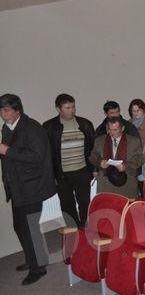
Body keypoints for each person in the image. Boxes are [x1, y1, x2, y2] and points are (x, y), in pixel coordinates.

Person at [1, 94, 56, 285]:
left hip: (33, 186)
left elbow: (37, 156)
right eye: (0, 111)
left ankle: (38, 268)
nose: (2, 114)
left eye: (6, 110)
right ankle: (33, 259)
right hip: (17, 187)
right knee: (20, 226)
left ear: (18, 110)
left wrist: (7, 150)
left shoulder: (32, 128)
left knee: (30, 228)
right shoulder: (7, 127)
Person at [43, 94, 95, 227]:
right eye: (67, 108)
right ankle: (74, 230)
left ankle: (86, 230)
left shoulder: (85, 124)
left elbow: (92, 149)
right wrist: (51, 176)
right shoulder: (49, 127)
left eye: (73, 107)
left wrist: (94, 169)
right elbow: (47, 154)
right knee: (67, 206)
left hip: (82, 171)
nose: (72, 110)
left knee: (85, 204)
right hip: (62, 174)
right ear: (58, 109)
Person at [89, 117, 144, 199]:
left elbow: (140, 158)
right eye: (109, 129)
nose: (112, 133)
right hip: (105, 184)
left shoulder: (134, 141)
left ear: (123, 128)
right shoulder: (99, 140)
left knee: (126, 206)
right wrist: (100, 162)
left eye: (115, 130)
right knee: (108, 205)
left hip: (127, 183)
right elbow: (92, 156)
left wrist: (125, 166)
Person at [128, 99, 145, 187]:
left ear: (143, 110)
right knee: (136, 183)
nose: (136, 113)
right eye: (133, 111)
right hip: (133, 157)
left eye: (138, 110)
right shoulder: (129, 123)